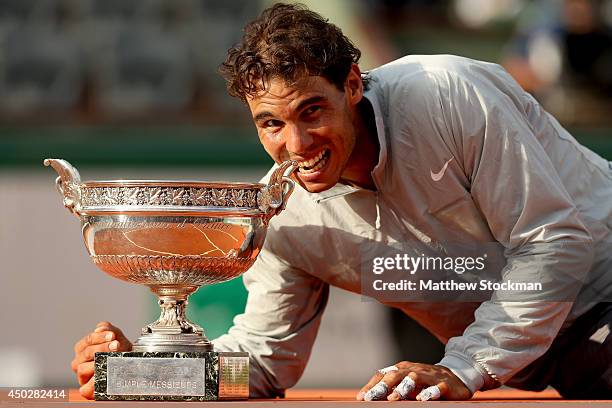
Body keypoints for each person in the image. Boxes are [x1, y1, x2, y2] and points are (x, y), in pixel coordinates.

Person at [71, 3, 612, 400]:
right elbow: (261, 363)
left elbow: (553, 243)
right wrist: (148, 374)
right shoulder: (283, 215)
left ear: (352, 84)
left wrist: (466, 366)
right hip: (564, 364)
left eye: (312, 112)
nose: (298, 145)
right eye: (271, 124)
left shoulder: (449, 94)